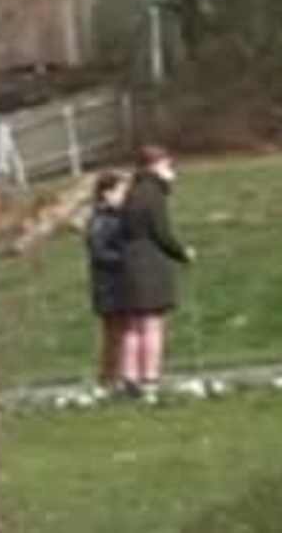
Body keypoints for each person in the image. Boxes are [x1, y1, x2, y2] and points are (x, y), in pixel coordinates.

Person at [114, 145, 193, 394]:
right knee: (152, 324)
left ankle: (129, 377)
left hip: (129, 263)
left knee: (132, 325)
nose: (171, 171)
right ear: (155, 166)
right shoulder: (153, 194)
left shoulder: (132, 192)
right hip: (150, 264)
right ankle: (150, 378)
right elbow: (161, 233)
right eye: (168, 165)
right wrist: (182, 253)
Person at [84, 170, 133, 390]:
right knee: (114, 334)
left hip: (121, 284)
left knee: (123, 332)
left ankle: (121, 376)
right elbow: (99, 252)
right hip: (109, 286)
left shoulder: (118, 217)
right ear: (107, 193)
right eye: (122, 191)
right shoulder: (100, 220)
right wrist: (126, 258)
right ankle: (110, 379)